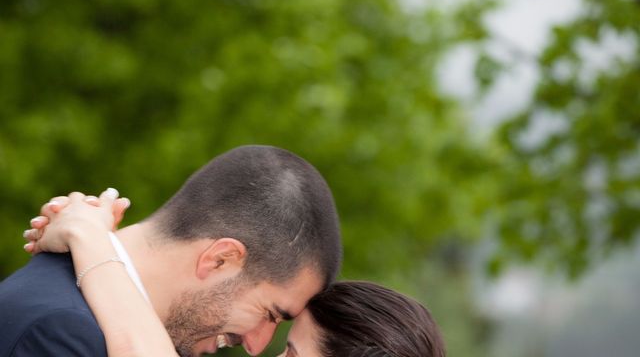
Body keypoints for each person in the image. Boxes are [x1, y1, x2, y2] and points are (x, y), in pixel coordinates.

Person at [0, 145, 342, 357]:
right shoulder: (63, 332)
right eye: (271, 314)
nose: (257, 346)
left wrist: (87, 233)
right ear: (220, 259)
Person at [22, 193, 446, 357]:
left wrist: (88, 235)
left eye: (293, 356)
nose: (261, 352)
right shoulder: (60, 327)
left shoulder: (62, 331)